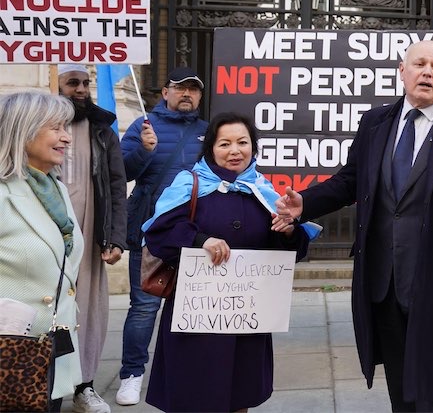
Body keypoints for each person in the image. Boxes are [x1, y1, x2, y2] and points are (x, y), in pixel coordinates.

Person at [275, 40, 433, 412]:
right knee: (400, 386)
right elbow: (349, 180)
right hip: (384, 279)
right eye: (419, 63)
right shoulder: (375, 123)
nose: (428, 72)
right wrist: (305, 203)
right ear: (401, 71)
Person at [141, 112, 313, 412]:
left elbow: (290, 250)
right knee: (194, 397)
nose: (235, 151)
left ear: (253, 148)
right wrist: (199, 240)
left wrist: (287, 233)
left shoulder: (263, 191)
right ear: (211, 149)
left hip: (246, 320)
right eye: (225, 144)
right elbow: (159, 234)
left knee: (239, 396)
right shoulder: (189, 184)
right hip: (196, 320)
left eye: (242, 142)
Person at [116, 67, 208, 406]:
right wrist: (145, 150)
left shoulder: (206, 132)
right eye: (180, 88)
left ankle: (187, 370)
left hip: (194, 235)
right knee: (144, 307)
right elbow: (121, 172)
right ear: (165, 93)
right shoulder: (143, 127)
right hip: (150, 233)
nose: (187, 94)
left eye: (193, 90)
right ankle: (131, 375)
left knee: (192, 307)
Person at [0, 91, 84, 412]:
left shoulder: (56, 188)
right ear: (23, 131)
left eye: (67, 128)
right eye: (56, 128)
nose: (66, 138)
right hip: (11, 358)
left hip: (48, 357)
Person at [56, 64, 127, 413]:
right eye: (73, 83)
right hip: (48, 238)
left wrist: (114, 237)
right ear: (57, 86)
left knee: (89, 311)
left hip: (90, 237)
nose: (82, 89)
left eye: (86, 82)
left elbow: (116, 187)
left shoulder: (103, 129)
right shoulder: (36, 127)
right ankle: (46, 385)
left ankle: (84, 386)